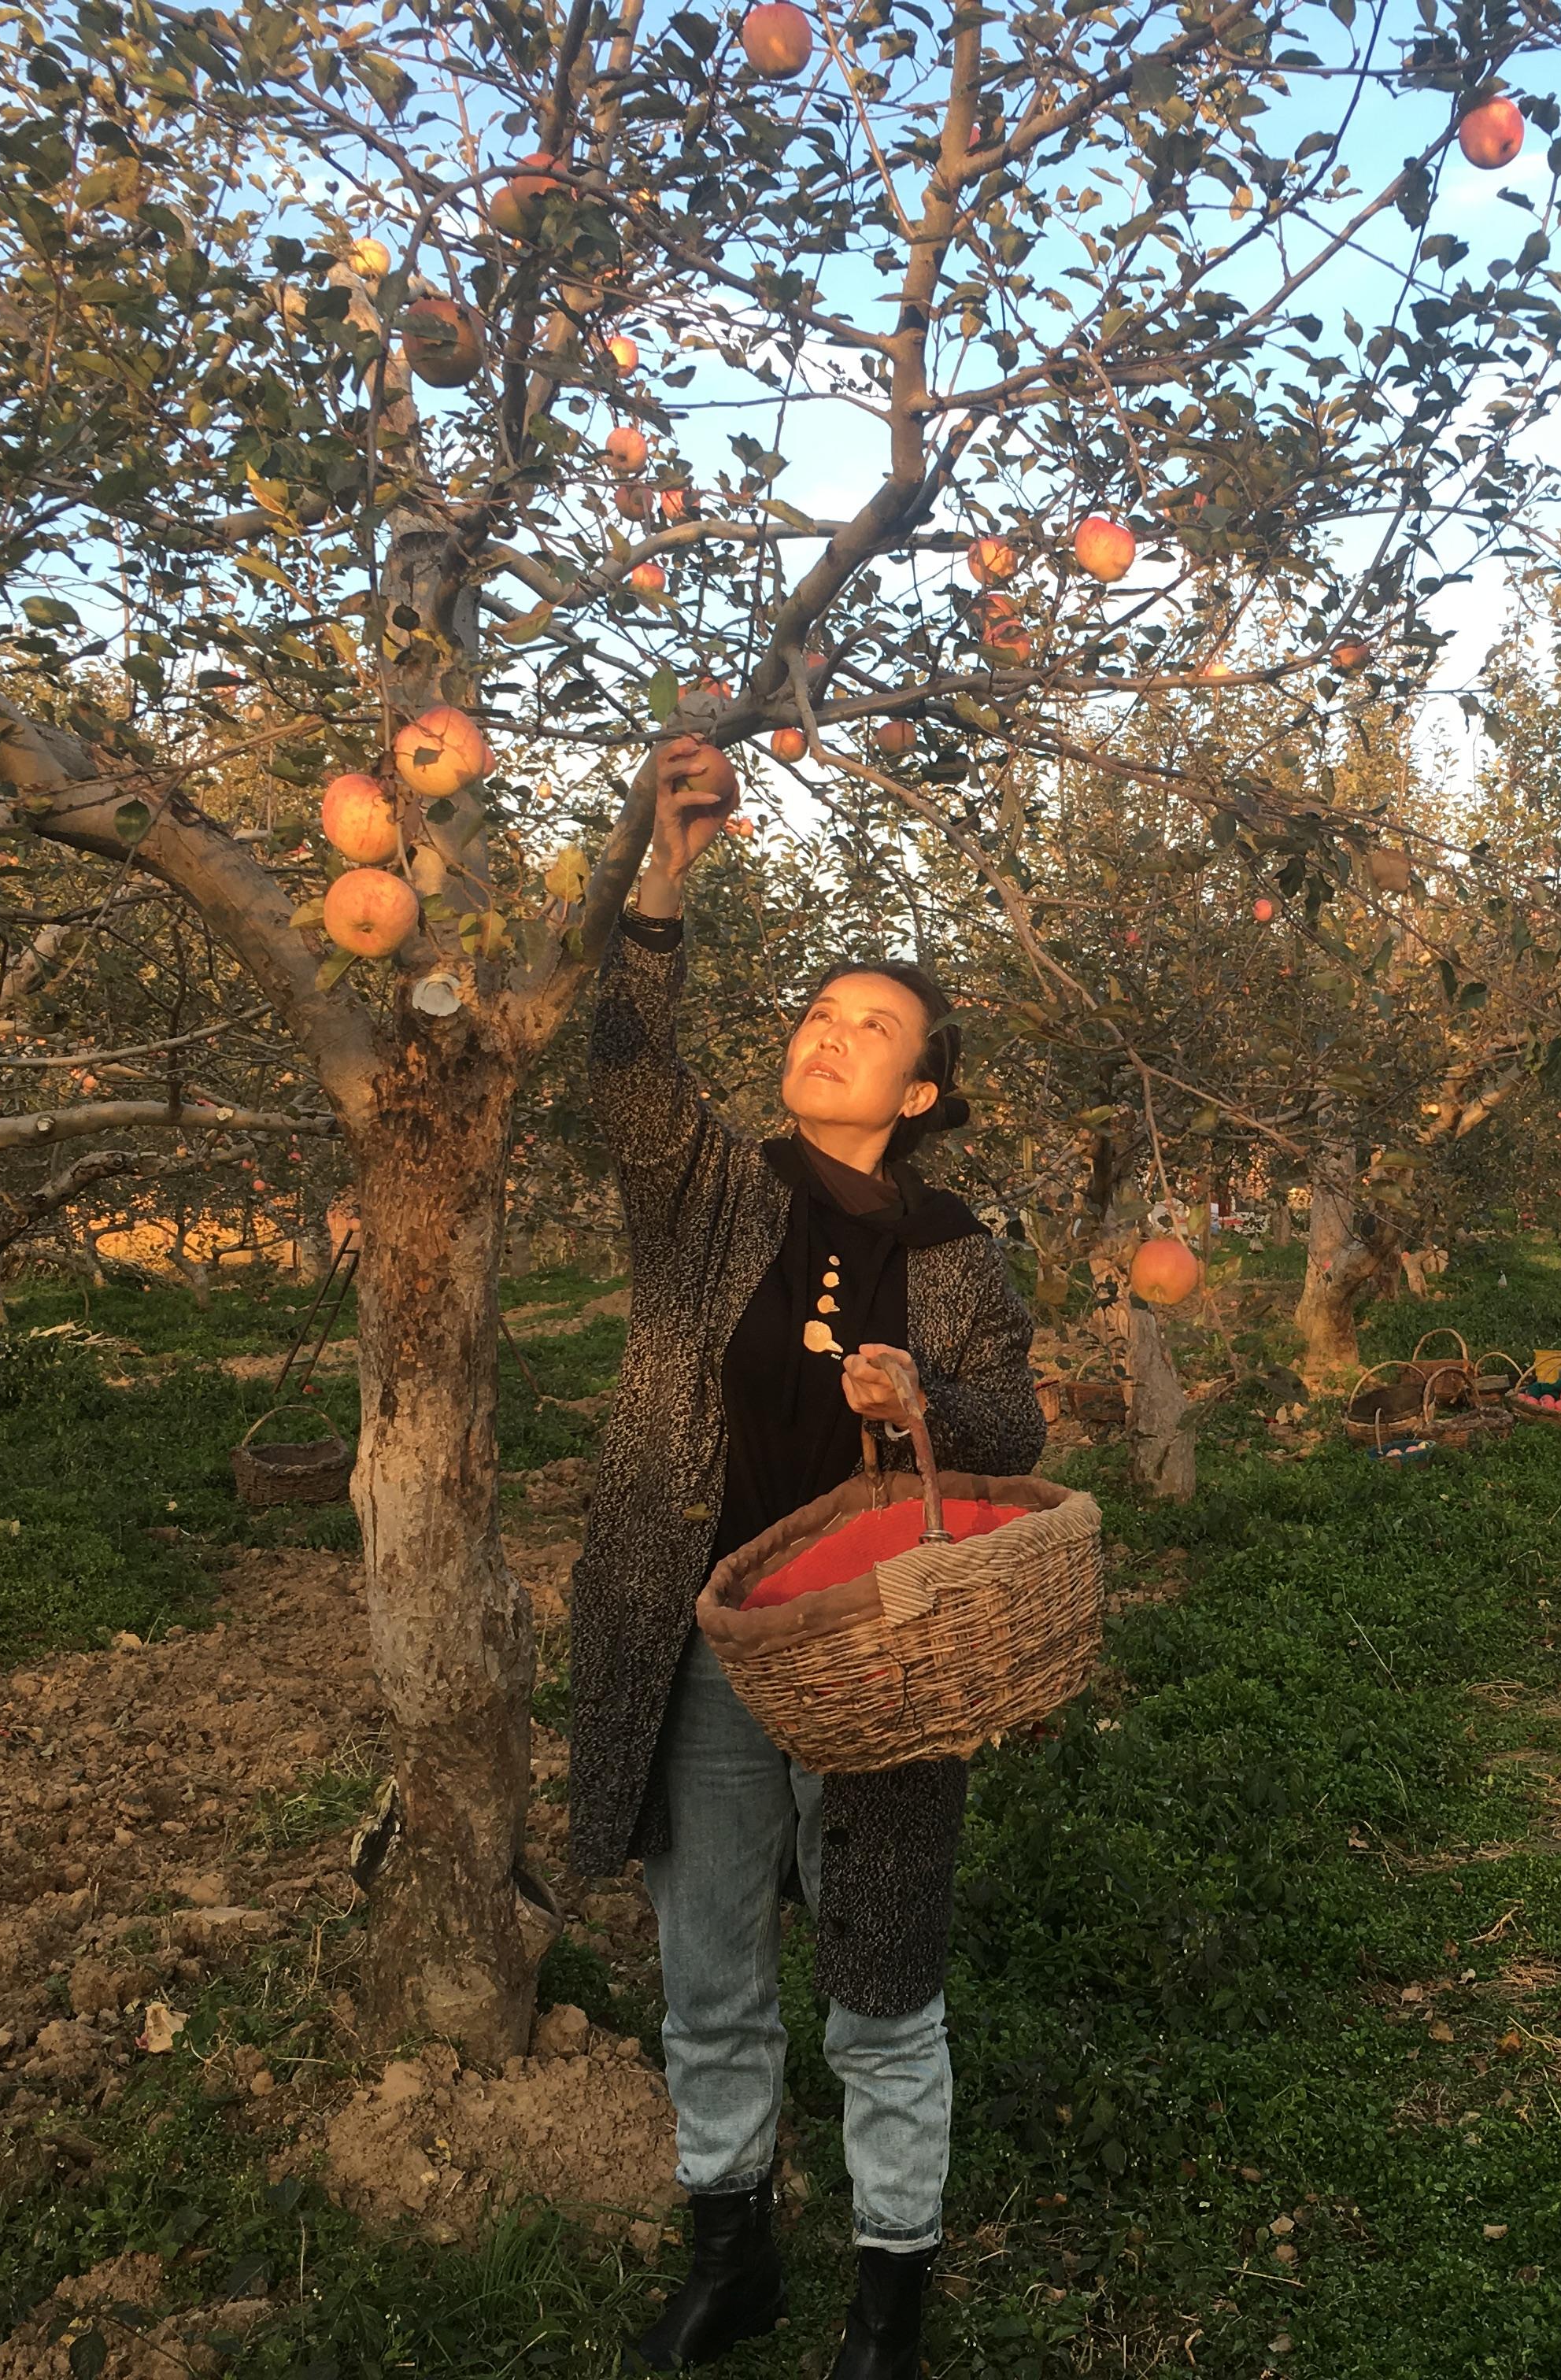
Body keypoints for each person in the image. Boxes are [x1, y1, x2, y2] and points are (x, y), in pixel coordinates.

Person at [566, 737, 1044, 2380]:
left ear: (918, 1094)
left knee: (880, 1980)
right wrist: (665, 873)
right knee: (706, 1970)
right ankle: (734, 2253)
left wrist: (931, 1399)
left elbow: (1018, 1425)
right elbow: (620, 1066)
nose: (832, 1038)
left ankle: (887, 2296)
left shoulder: (958, 1247)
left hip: (882, 1649)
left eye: (874, 1031)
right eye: (821, 1016)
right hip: (704, 1628)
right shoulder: (710, 1186)